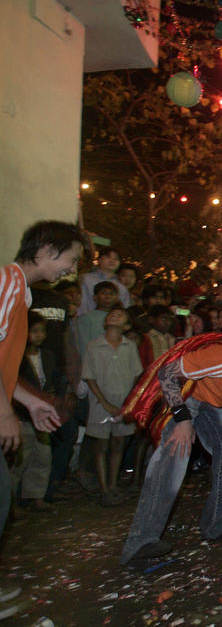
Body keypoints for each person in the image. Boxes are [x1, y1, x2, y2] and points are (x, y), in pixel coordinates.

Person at [119, 338, 222, 566]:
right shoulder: (220, 359)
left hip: (221, 407)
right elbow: (166, 374)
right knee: (174, 455)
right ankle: (141, 540)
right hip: (190, 397)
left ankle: (218, 522)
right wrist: (183, 419)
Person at [0, 221, 80, 615]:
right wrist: (4, 413)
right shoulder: (9, 282)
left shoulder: (22, 291)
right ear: (47, 249)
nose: (71, 268)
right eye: (71, 258)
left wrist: (28, 403)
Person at [82, 307, 143, 506]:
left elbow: (136, 373)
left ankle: (113, 484)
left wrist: (129, 401)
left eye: (120, 315)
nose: (114, 316)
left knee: (118, 443)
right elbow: (89, 377)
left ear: (126, 325)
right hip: (101, 402)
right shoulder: (93, 346)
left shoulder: (129, 346)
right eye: (111, 314)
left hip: (123, 401)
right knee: (101, 445)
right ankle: (104, 488)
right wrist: (104, 402)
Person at [14, 312, 65, 512]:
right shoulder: (16, 357)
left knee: (43, 456)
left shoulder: (48, 355)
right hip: (23, 414)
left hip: (44, 412)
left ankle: (36, 495)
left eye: (42, 331)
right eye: (34, 331)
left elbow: (55, 380)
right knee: (21, 458)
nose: (39, 335)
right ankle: (13, 502)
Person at [78, 247, 130, 315]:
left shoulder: (122, 287)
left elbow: (124, 310)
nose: (112, 261)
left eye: (116, 259)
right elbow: (81, 304)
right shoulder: (86, 279)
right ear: (99, 259)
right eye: (108, 257)